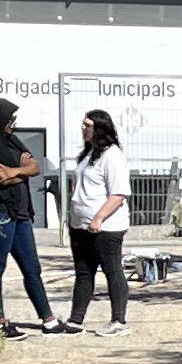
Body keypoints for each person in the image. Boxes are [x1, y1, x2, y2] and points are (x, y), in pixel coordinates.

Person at [0, 98, 74, 339]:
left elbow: (34, 168)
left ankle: (48, 319)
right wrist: (19, 173)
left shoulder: (13, 142)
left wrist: (15, 171)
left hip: (21, 213)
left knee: (32, 267)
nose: (13, 125)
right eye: (10, 120)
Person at [64, 107, 132, 335]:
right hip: (80, 226)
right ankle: (76, 319)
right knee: (84, 272)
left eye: (88, 125)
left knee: (112, 270)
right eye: (83, 125)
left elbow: (119, 193)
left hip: (106, 227)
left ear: (100, 128)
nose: (83, 129)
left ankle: (119, 321)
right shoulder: (87, 155)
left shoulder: (112, 156)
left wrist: (99, 217)